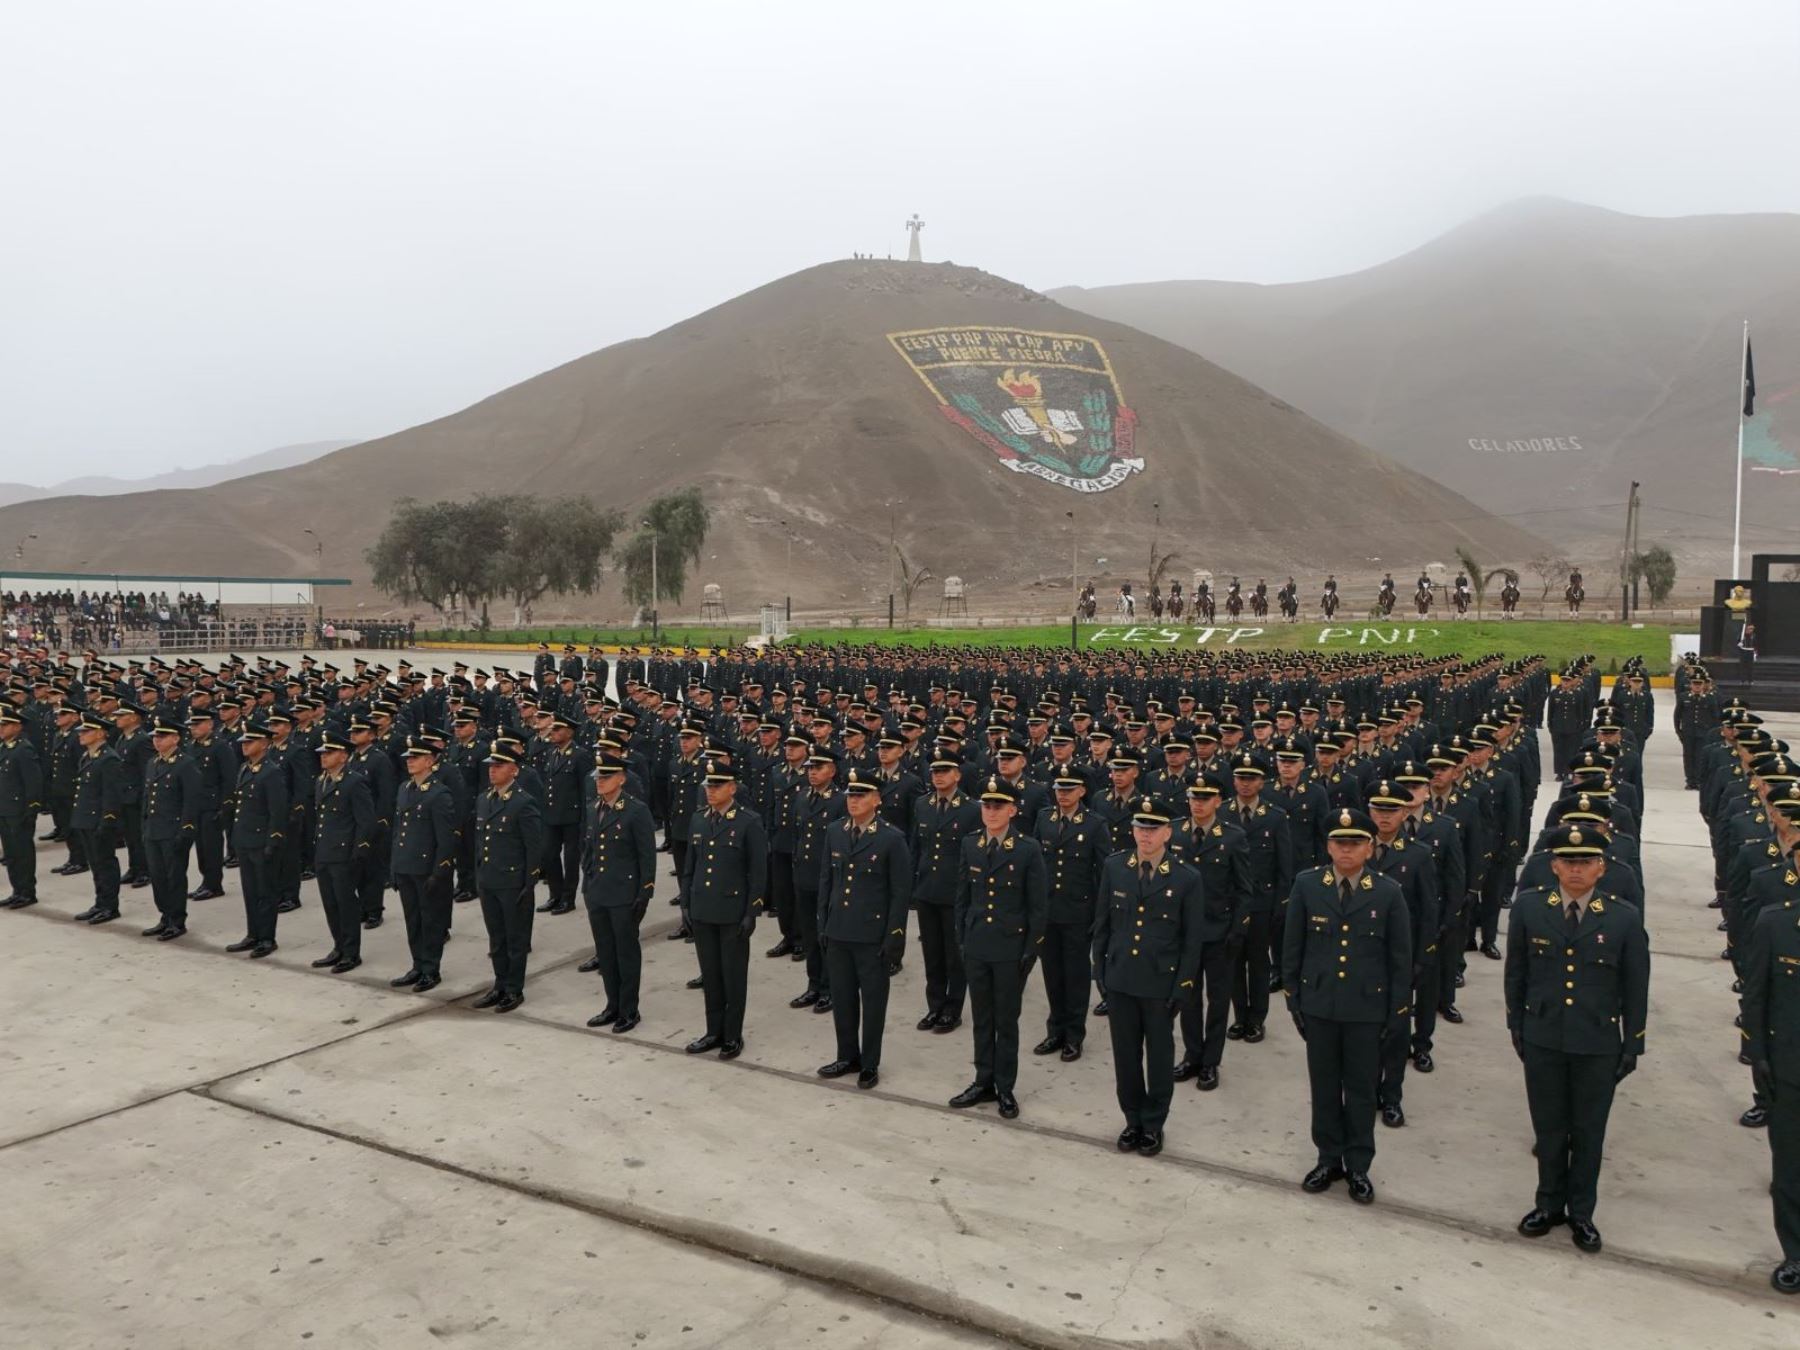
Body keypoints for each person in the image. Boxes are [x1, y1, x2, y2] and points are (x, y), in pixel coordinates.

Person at [1505, 824, 1650, 1254]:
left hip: (1597, 1043)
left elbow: (1635, 986)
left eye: (1585, 862)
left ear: (1601, 868)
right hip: (1544, 1036)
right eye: (1568, 861)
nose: (1575, 869)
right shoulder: (1530, 909)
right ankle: (1548, 1203)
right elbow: (1518, 973)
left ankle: (1581, 1213)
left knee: (1588, 1133)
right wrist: (1518, 1027)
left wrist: (1633, 1043)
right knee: (1549, 1129)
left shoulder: (1622, 917)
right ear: (1553, 866)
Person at [1281, 807, 1412, 1204]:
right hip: (1319, 1004)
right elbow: (1293, 947)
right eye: (1339, 842)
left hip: (1365, 1009)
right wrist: (1293, 999)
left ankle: (1358, 1165)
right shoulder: (1307, 885)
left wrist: (1396, 1011)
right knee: (1323, 1087)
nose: (1346, 850)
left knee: (1359, 1090)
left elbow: (1399, 959)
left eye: (1355, 843)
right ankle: (1328, 1158)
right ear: (1328, 846)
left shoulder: (1387, 892)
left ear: (1370, 848)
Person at [1093, 796, 1204, 1155]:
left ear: (1168, 833)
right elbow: (1103, 926)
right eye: (1140, 826)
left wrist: (1183, 985)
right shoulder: (1116, 867)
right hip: (1122, 977)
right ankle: (1132, 1119)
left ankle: (1154, 1123)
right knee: (1126, 1056)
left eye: (1153, 828)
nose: (1145, 834)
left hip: (1160, 982)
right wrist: (1101, 973)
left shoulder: (1186, 878)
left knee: (1158, 1057)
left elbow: (1191, 940)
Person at [949, 776, 1048, 1119]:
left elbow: (1037, 904)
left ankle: (1005, 1086)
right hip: (977, 944)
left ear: (1013, 809)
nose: (990, 812)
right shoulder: (970, 844)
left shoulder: (1027, 848)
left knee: (1006, 1020)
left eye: (998, 806)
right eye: (986, 805)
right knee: (981, 1017)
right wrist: (961, 938)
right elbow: (962, 896)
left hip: (1010, 946)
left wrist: (1030, 949)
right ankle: (982, 1080)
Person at [815, 767, 911, 1089]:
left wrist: (895, 937)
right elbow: (827, 882)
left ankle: (869, 1062)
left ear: (877, 799)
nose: (854, 801)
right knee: (842, 998)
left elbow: (900, 893)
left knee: (872, 1003)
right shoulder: (835, 832)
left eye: (861, 795)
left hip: (872, 935)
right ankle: (847, 1055)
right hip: (839, 929)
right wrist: (823, 925)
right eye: (851, 795)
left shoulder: (891, 838)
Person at [1739, 862, 1800, 1294]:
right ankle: (1796, 1253)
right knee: (1791, 1167)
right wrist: (1757, 1053)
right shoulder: (1776, 922)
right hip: (1790, 1068)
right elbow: (1756, 992)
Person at [681, 763, 768, 1059]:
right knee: (711, 974)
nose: (711, 790)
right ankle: (712, 1031)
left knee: (732, 976)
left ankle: (732, 1035)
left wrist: (751, 912)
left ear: (732, 788)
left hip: (732, 911)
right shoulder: (699, 820)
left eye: (717, 785)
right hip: (703, 907)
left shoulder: (748, 822)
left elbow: (758, 872)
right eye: (708, 785)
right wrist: (686, 904)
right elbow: (689, 867)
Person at [1032, 769, 1109, 1061]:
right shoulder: (1044, 819)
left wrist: (1100, 917)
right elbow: (1037, 867)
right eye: (1059, 788)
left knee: (1076, 977)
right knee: (1052, 973)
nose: (1062, 793)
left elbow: (1102, 875)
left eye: (1069, 788)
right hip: (1048, 912)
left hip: (1079, 912)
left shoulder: (1094, 825)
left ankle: (1074, 1035)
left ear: (1081, 791)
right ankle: (1055, 1030)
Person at [581, 752, 656, 1031]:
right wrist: (587, 882)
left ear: (621, 779)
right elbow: (587, 848)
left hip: (624, 894)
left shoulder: (635, 810)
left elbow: (647, 855)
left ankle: (629, 1009)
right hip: (598, 892)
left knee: (625, 952)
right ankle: (612, 1005)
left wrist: (644, 892)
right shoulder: (593, 808)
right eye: (599, 776)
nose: (600, 781)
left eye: (607, 776)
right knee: (606, 951)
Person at [470, 741, 546, 1012]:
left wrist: (529, 881)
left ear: (513, 770)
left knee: (515, 939)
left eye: (499, 766)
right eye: (491, 766)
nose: (492, 771)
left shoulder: (523, 802)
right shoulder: (483, 799)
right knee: (496, 938)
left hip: (513, 882)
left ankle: (514, 989)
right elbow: (480, 841)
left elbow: (534, 846)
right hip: (489, 880)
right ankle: (499, 984)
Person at [911, 751, 980, 1032]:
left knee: (955, 955)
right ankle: (934, 1005)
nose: (938, 775)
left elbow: (975, 856)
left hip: (955, 893)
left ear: (957, 775)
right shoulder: (922, 804)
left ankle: (953, 1008)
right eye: (934, 770)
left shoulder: (971, 809)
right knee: (933, 953)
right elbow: (917, 847)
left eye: (944, 770)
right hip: (927, 890)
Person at [389, 734, 457, 992]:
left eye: (415, 757)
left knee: (431, 921)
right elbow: (398, 831)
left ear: (429, 761)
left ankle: (431, 969)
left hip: (426, 869)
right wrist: (394, 866)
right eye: (408, 758)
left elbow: (446, 839)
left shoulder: (439, 794)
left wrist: (439, 872)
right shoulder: (404, 789)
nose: (409, 762)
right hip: (406, 866)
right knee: (413, 920)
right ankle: (417, 965)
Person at [310, 729, 375, 972]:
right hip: (324, 852)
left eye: (329, 752)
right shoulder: (321, 780)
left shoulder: (354, 781)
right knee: (330, 903)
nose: (323, 757)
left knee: (346, 904)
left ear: (344, 756)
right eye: (322, 753)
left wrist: (358, 851)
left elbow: (365, 821)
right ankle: (338, 946)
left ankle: (351, 952)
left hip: (344, 853)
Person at [227, 719, 287, 957]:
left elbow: (278, 810)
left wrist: (273, 839)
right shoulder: (245, 768)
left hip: (262, 841)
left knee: (265, 891)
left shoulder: (271, 772)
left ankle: (267, 938)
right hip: (245, 839)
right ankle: (253, 933)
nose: (244, 745)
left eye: (250, 742)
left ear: (264, 743)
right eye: (243, 741)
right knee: (250, 890)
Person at [139, 717, 200, 940]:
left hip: (173, 831)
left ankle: (177, 920)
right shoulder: (153, 763)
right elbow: (147, 799)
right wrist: (144, 826)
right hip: (154, 830)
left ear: (175, 738)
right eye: (156, 736)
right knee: (157, 876)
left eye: (162, 736)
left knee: (174, 876)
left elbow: (191, 801)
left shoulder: (185, 764)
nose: (157, 740)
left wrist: (185, 829)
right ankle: (165, 916)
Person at [69, 712, 125, 924]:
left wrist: (107, 820)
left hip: (99, 821)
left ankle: (110, 906)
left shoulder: (108, 758)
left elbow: (111, 795)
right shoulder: (88, 756)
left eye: (86, 731)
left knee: (105, 863)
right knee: (95, 864)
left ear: (100, 733)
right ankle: (100, 902)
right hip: (85, 820)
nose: (81, 735)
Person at [0, 705, 44, 909]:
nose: (1, 728)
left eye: (5, 725)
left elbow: (33, 782)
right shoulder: (4, 748)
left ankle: (27, 892)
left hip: (19, 810)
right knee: (10, 852)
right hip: (5, 809)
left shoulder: (23, 749)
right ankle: (17, 889)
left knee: (22, 852)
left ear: (17, 726)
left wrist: (32, 809)